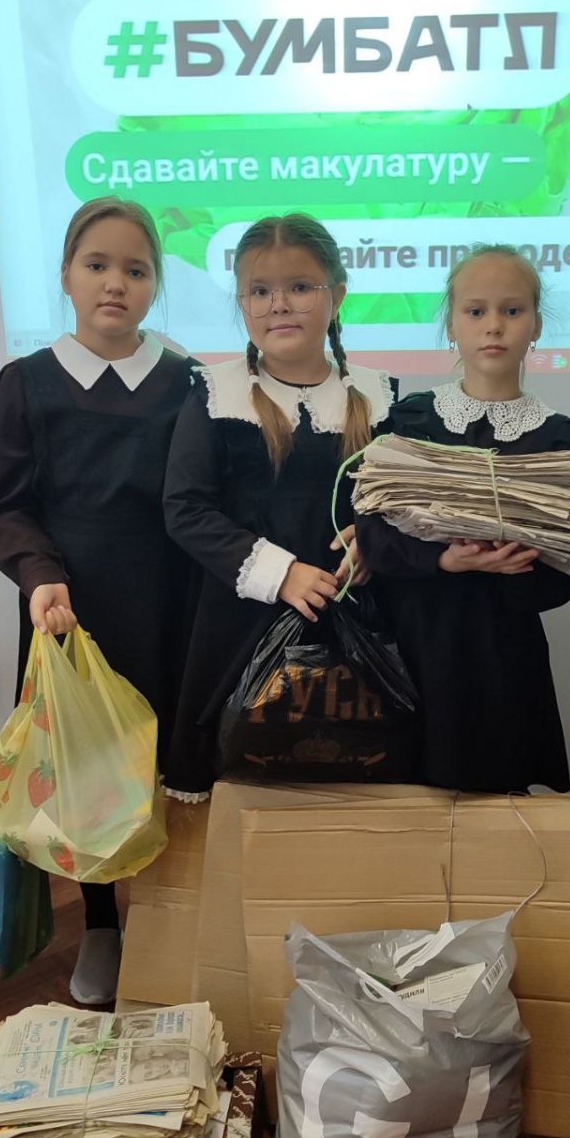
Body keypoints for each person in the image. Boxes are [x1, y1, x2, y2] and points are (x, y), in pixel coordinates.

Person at [0, 197, 202, 1005]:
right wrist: (40, 574)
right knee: (87, 772)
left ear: (155, 285)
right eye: (97, 265)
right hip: (69, 608)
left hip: (172, 600)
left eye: (135, 270)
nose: (115, 283)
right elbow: (8, 508)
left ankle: (177, 914)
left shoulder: (186, 382)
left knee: (173, 757)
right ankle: (102, 921)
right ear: (67, 276)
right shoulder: (25, 383)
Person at [356, 245, 570, 792]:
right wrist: (443, 559)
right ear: (452, 325)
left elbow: (562, 577)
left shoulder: (562, 442)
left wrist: (513, 563)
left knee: (496, 807)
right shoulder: (409, 421)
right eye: (475, 311)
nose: (493, 325)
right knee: (401, 807)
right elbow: (373, 534)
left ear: (536, 325)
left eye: (512, 310)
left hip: (501, 656)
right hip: (412, 646)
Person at [162, 213, 395, 793]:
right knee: (240, 778)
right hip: (239, 624)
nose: (279, 305)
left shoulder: (380, 394)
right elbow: (186, 509)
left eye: (299, 287)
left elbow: (400, 502)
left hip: (357, 618)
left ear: (337, 296)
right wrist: (282, 573)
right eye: (260, 291)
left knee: (357, 773)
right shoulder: (215, 392)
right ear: (243, 303)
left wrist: (375, 541)